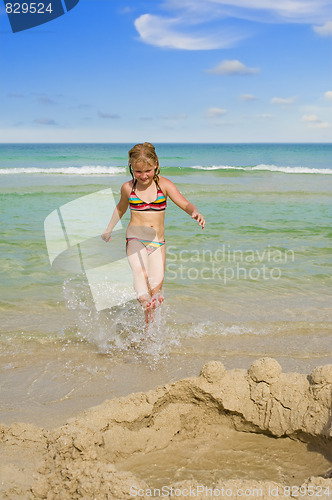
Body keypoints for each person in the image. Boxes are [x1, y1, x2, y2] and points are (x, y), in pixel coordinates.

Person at [101, 142, 205, 323]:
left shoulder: (164, 185)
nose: (143, 175)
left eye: (147, 170)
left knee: (156, 288)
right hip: (135, 238)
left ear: (156, 164)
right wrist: (109, 229)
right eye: (138, 171)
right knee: (139, 271)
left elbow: (184, 203)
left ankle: (149, 334)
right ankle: (142, 299)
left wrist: (194, 211)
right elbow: (120, 209)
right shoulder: (128, 188)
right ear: (131, 167)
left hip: (157, 242)